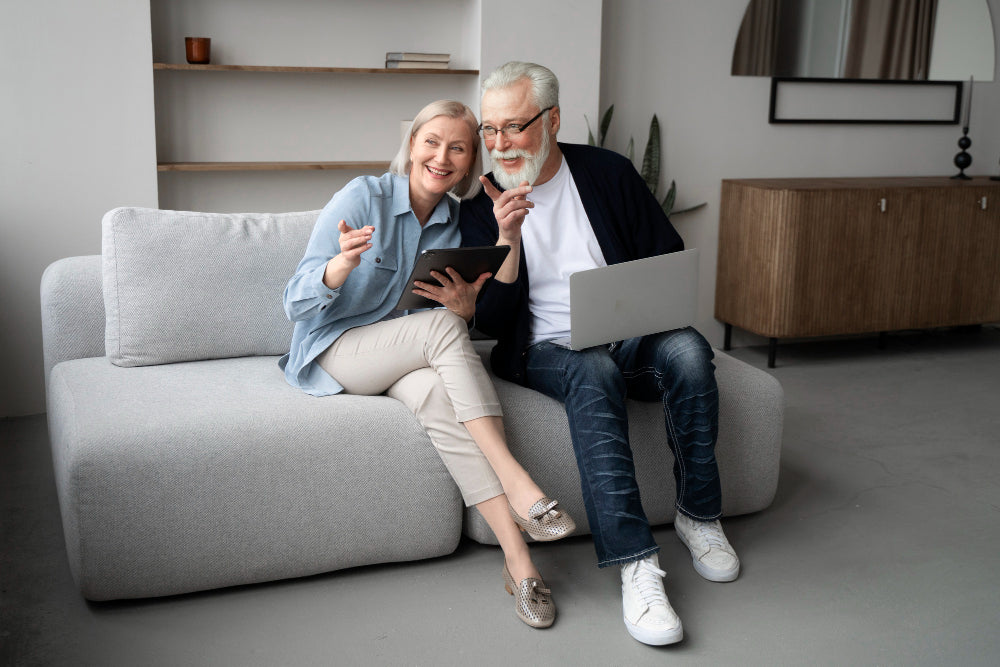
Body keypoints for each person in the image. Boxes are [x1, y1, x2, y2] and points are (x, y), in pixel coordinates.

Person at [460, 63, 740, 646]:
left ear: (552, 119)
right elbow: (489, 325)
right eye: (489, 130)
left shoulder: (607, 173)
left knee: (688, 350)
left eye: (513, 127)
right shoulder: (478, 206)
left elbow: (666, 257)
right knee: (592, 368)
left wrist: (636, 306)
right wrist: (505, 239)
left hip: (625, 334)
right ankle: (636, 565)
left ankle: (699, 515)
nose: (499, 145)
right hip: (541, 348)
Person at [279, 99, 575, 629]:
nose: (442, 156)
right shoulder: (362, 197)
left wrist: (465, 308)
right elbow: (294, 304)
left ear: (468, 162)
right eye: (432, 142)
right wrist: (340, 265)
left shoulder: (454, 223)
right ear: (412, 146)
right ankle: (520, 485)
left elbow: (461, 320)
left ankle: (520, 564)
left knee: (441, 397)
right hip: (336, 348)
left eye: (458, 148)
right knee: (440, 329)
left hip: (400, 353)